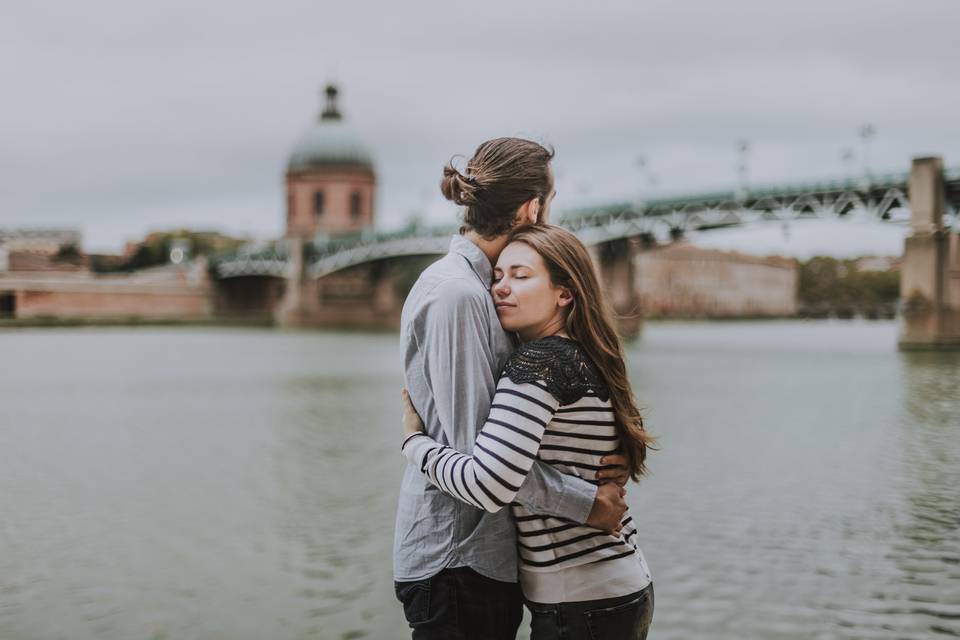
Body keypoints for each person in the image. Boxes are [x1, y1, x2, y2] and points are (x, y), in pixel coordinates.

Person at [394, 138, 632, 640]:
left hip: (489, 560)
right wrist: (589, 502)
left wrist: (600, 457)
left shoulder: (492, 292)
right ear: (532, 208)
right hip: (459, 557)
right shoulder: (459, 295)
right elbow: (481, 464)